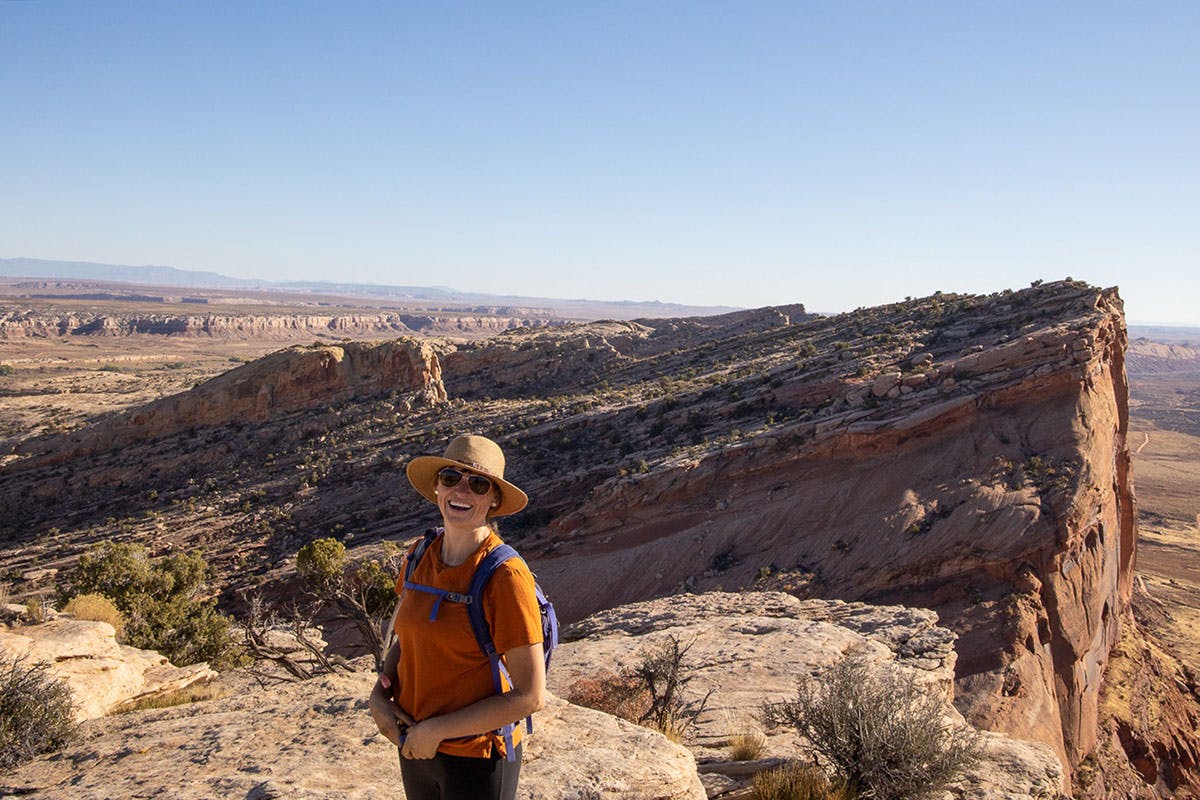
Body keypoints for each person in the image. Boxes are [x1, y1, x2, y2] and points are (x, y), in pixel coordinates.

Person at [369, 434, 545, 800]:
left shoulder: (505, 576)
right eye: (451, 478)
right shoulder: (420, 554)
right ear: (436, 486)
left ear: (494, 499)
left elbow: (530, 696)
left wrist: (437, 731)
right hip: (415, 744)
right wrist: (379, 696)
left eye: (478, 484)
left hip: (476, 757)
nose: (461, 491)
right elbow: (409, 639)